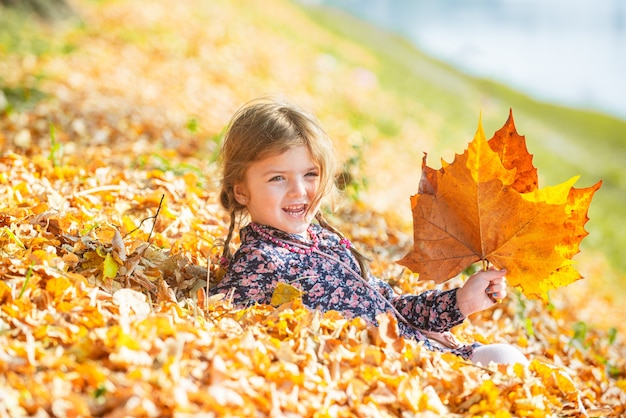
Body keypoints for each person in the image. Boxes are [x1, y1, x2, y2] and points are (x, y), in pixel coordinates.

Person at [212, 98, 528, 366]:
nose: (299, 191)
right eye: (277, 178)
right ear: (241, 191)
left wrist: (461, 301)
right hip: (390, 365)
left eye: (310, 174)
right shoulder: (261, 258)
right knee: (507, 363)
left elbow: (393, 305)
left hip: (423, 348)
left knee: (509, 358)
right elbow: (229, 316)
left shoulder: (329, 243)